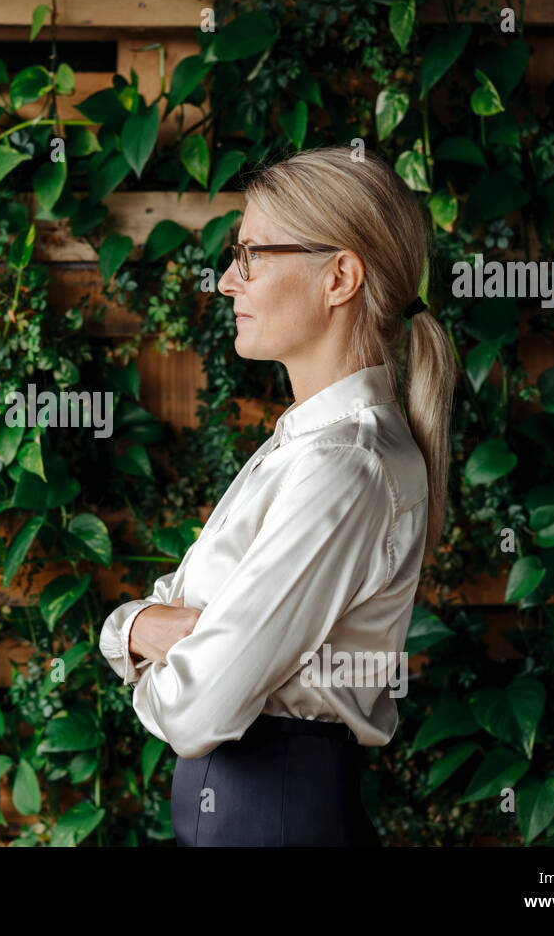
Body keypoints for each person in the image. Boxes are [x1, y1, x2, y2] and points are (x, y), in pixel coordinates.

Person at [98, 145, 456, 846]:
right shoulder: (307, 447)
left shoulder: (343, 467)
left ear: (340, 277)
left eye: (252, 254)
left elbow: (198, 706)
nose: (229, 280)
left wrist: (140, 636)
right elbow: (185, 615)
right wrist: (143, 627)